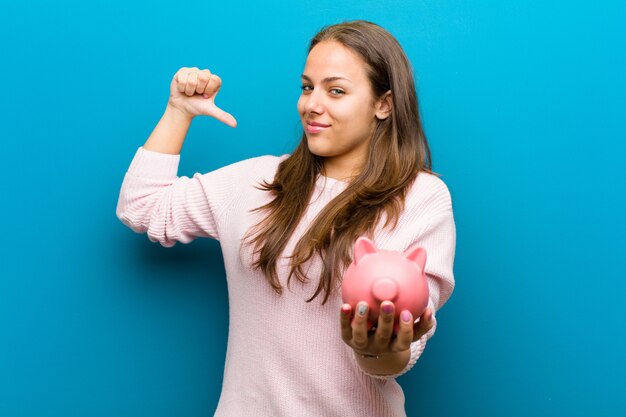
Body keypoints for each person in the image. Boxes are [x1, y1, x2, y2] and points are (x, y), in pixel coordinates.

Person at [116, 20, 455, 417]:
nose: (312, 104)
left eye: (336, 91)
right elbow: (141, 205)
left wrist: (377, 348)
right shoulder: (258, 182)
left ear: (384, 104)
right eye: (308, 87)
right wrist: (179, 111)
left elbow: (400, 353)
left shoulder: (419, 197)